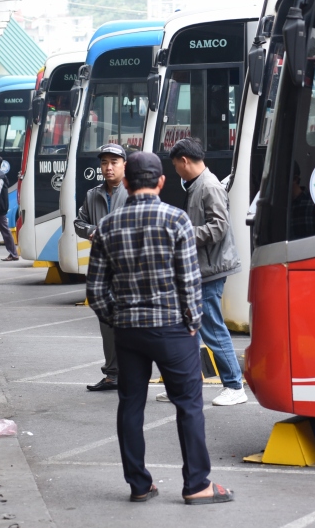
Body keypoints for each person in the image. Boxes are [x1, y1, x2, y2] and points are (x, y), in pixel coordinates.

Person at [86, 151, 233, 506]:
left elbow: (95, 290)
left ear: (126, 182)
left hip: (128, 331)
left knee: (131, 405)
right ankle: (197, 484)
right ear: (161, 181)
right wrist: (192, 324)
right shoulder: (176, 220)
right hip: (172, 330)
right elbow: (190, 281)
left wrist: (117, 318)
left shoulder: (108, 225)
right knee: (188, 405)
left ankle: (139, 485)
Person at [164, 138, 246, 406]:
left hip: (209, 269)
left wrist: (185, 233)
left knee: (211, 327)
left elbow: (219, 227)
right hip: (201, 268)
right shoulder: (198, 184)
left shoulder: (209, 186)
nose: (176, 171)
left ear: (185, 161)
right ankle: (185, 385)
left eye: (176, 166)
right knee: (189, 329)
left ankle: (234, 385)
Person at [74, 143, 129, 392]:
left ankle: (133, 372)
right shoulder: (92, 194)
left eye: (114, 162)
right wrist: (92, 230)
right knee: (107, 322)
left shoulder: (133, 193)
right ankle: (113, 374)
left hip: (129, 269)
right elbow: (79, 222)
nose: (108, 167)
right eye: (104, 163)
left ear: (124, 165)